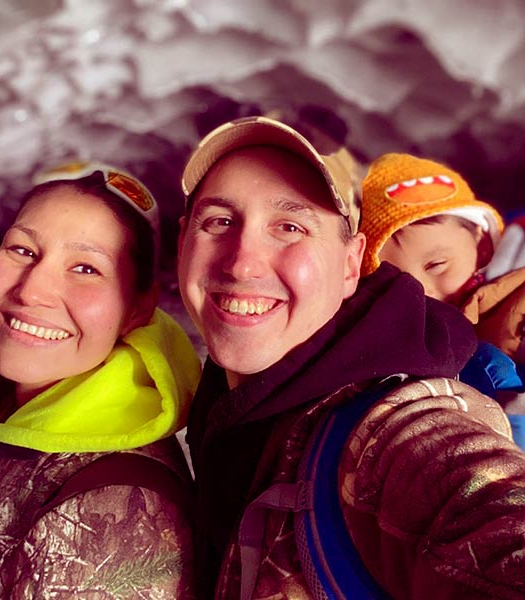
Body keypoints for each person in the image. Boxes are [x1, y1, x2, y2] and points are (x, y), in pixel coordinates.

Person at [176, 116, 525, 599]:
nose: (241, 262)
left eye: (290, 226)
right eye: (219, 221)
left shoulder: (393, 428)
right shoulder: (222, 394)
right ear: (182, 243)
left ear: (350, 265)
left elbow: (482, 510)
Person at [0, 163, 201, 598]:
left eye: (86, 268)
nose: (32, 290)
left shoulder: (115, 504)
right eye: (23, 250)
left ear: (138, 308)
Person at [360, 152, 525, 447]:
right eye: (402, 285)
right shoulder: (407, 343)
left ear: (482, 241)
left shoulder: (515, 290)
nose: (426, 292)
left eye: (436, 265)